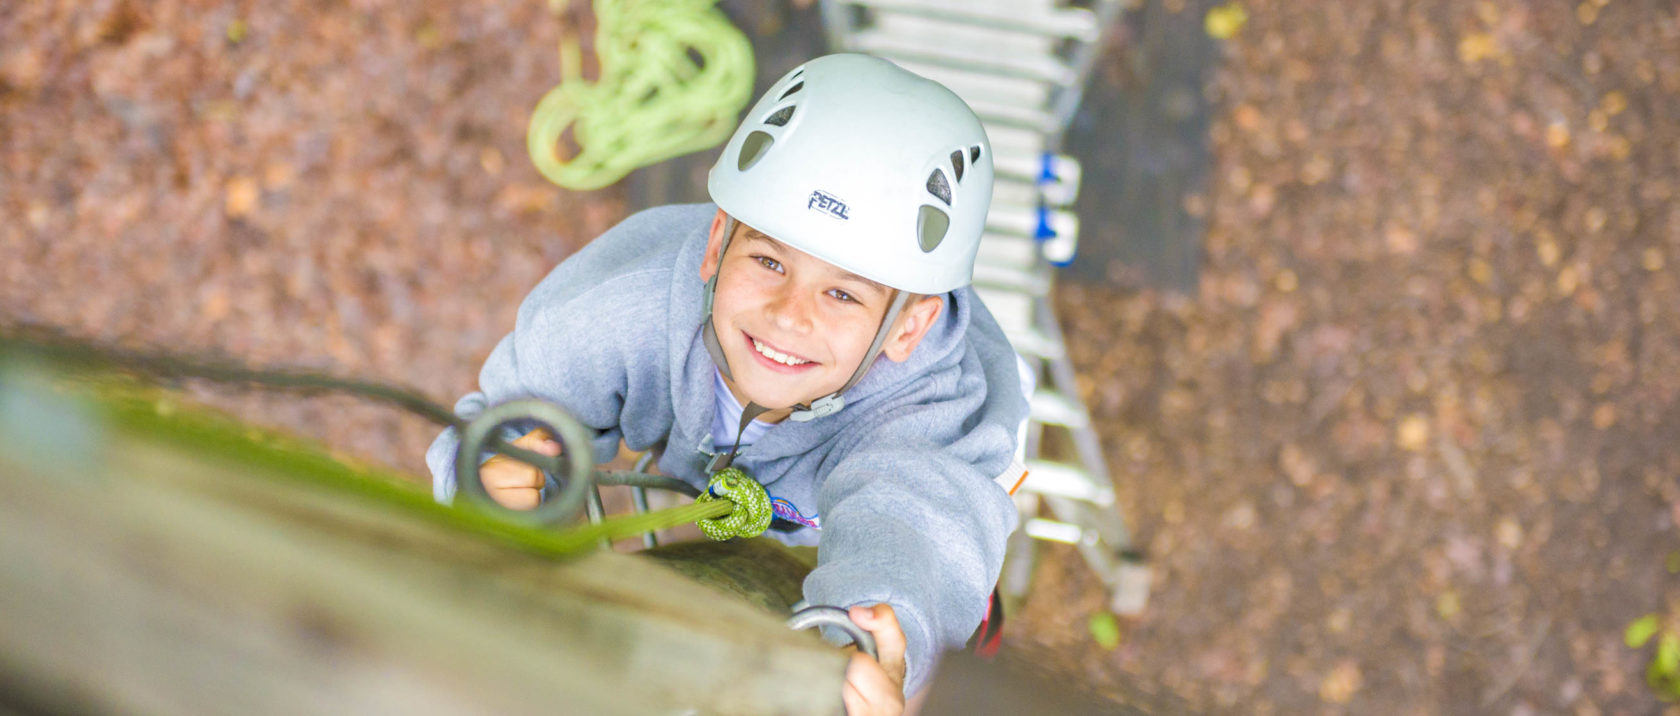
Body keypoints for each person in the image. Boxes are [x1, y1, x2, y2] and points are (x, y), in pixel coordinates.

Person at [425, 53, 1027, 715]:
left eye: (842, 296)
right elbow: (519, 402)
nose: (789, 315)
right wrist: (498, 471)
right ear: (716, 244)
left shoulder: (930, 418)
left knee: (914, 673)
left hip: (873, 514)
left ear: (908, 329)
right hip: (747, 495)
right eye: (768, 260)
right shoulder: (628, 307)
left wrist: (887, 635)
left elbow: (911, 522)